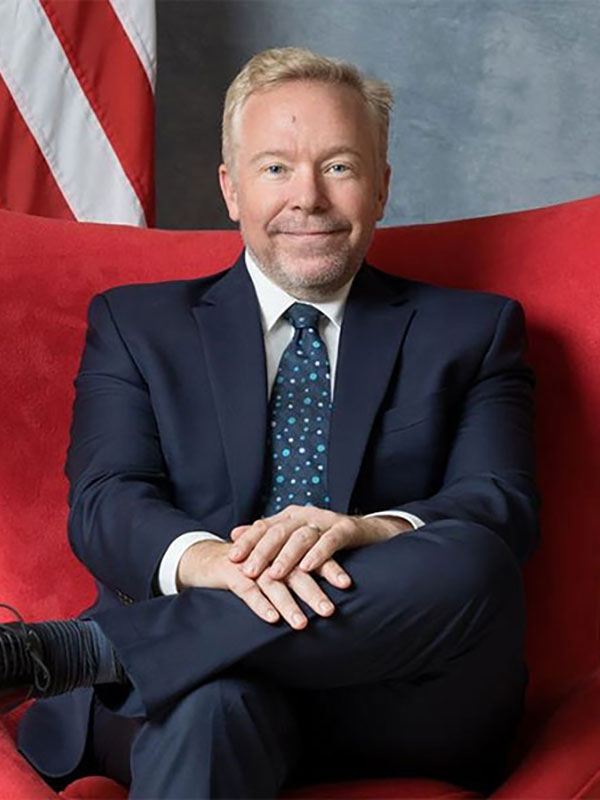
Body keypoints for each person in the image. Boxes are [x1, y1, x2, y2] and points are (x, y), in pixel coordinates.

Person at [1, 47, 538, 799]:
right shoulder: (136, 325)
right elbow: (106, 502)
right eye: (277, 167)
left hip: (393, 699)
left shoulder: (473, 332)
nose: (309, 197)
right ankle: (170, 656)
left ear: (382, 187)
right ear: (231, 188)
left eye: (341, 166)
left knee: (475, 561)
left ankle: (93, 650)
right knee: (210, 706)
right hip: (179, 703)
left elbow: (500, 505)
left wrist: (368, 530)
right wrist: (208, 565)